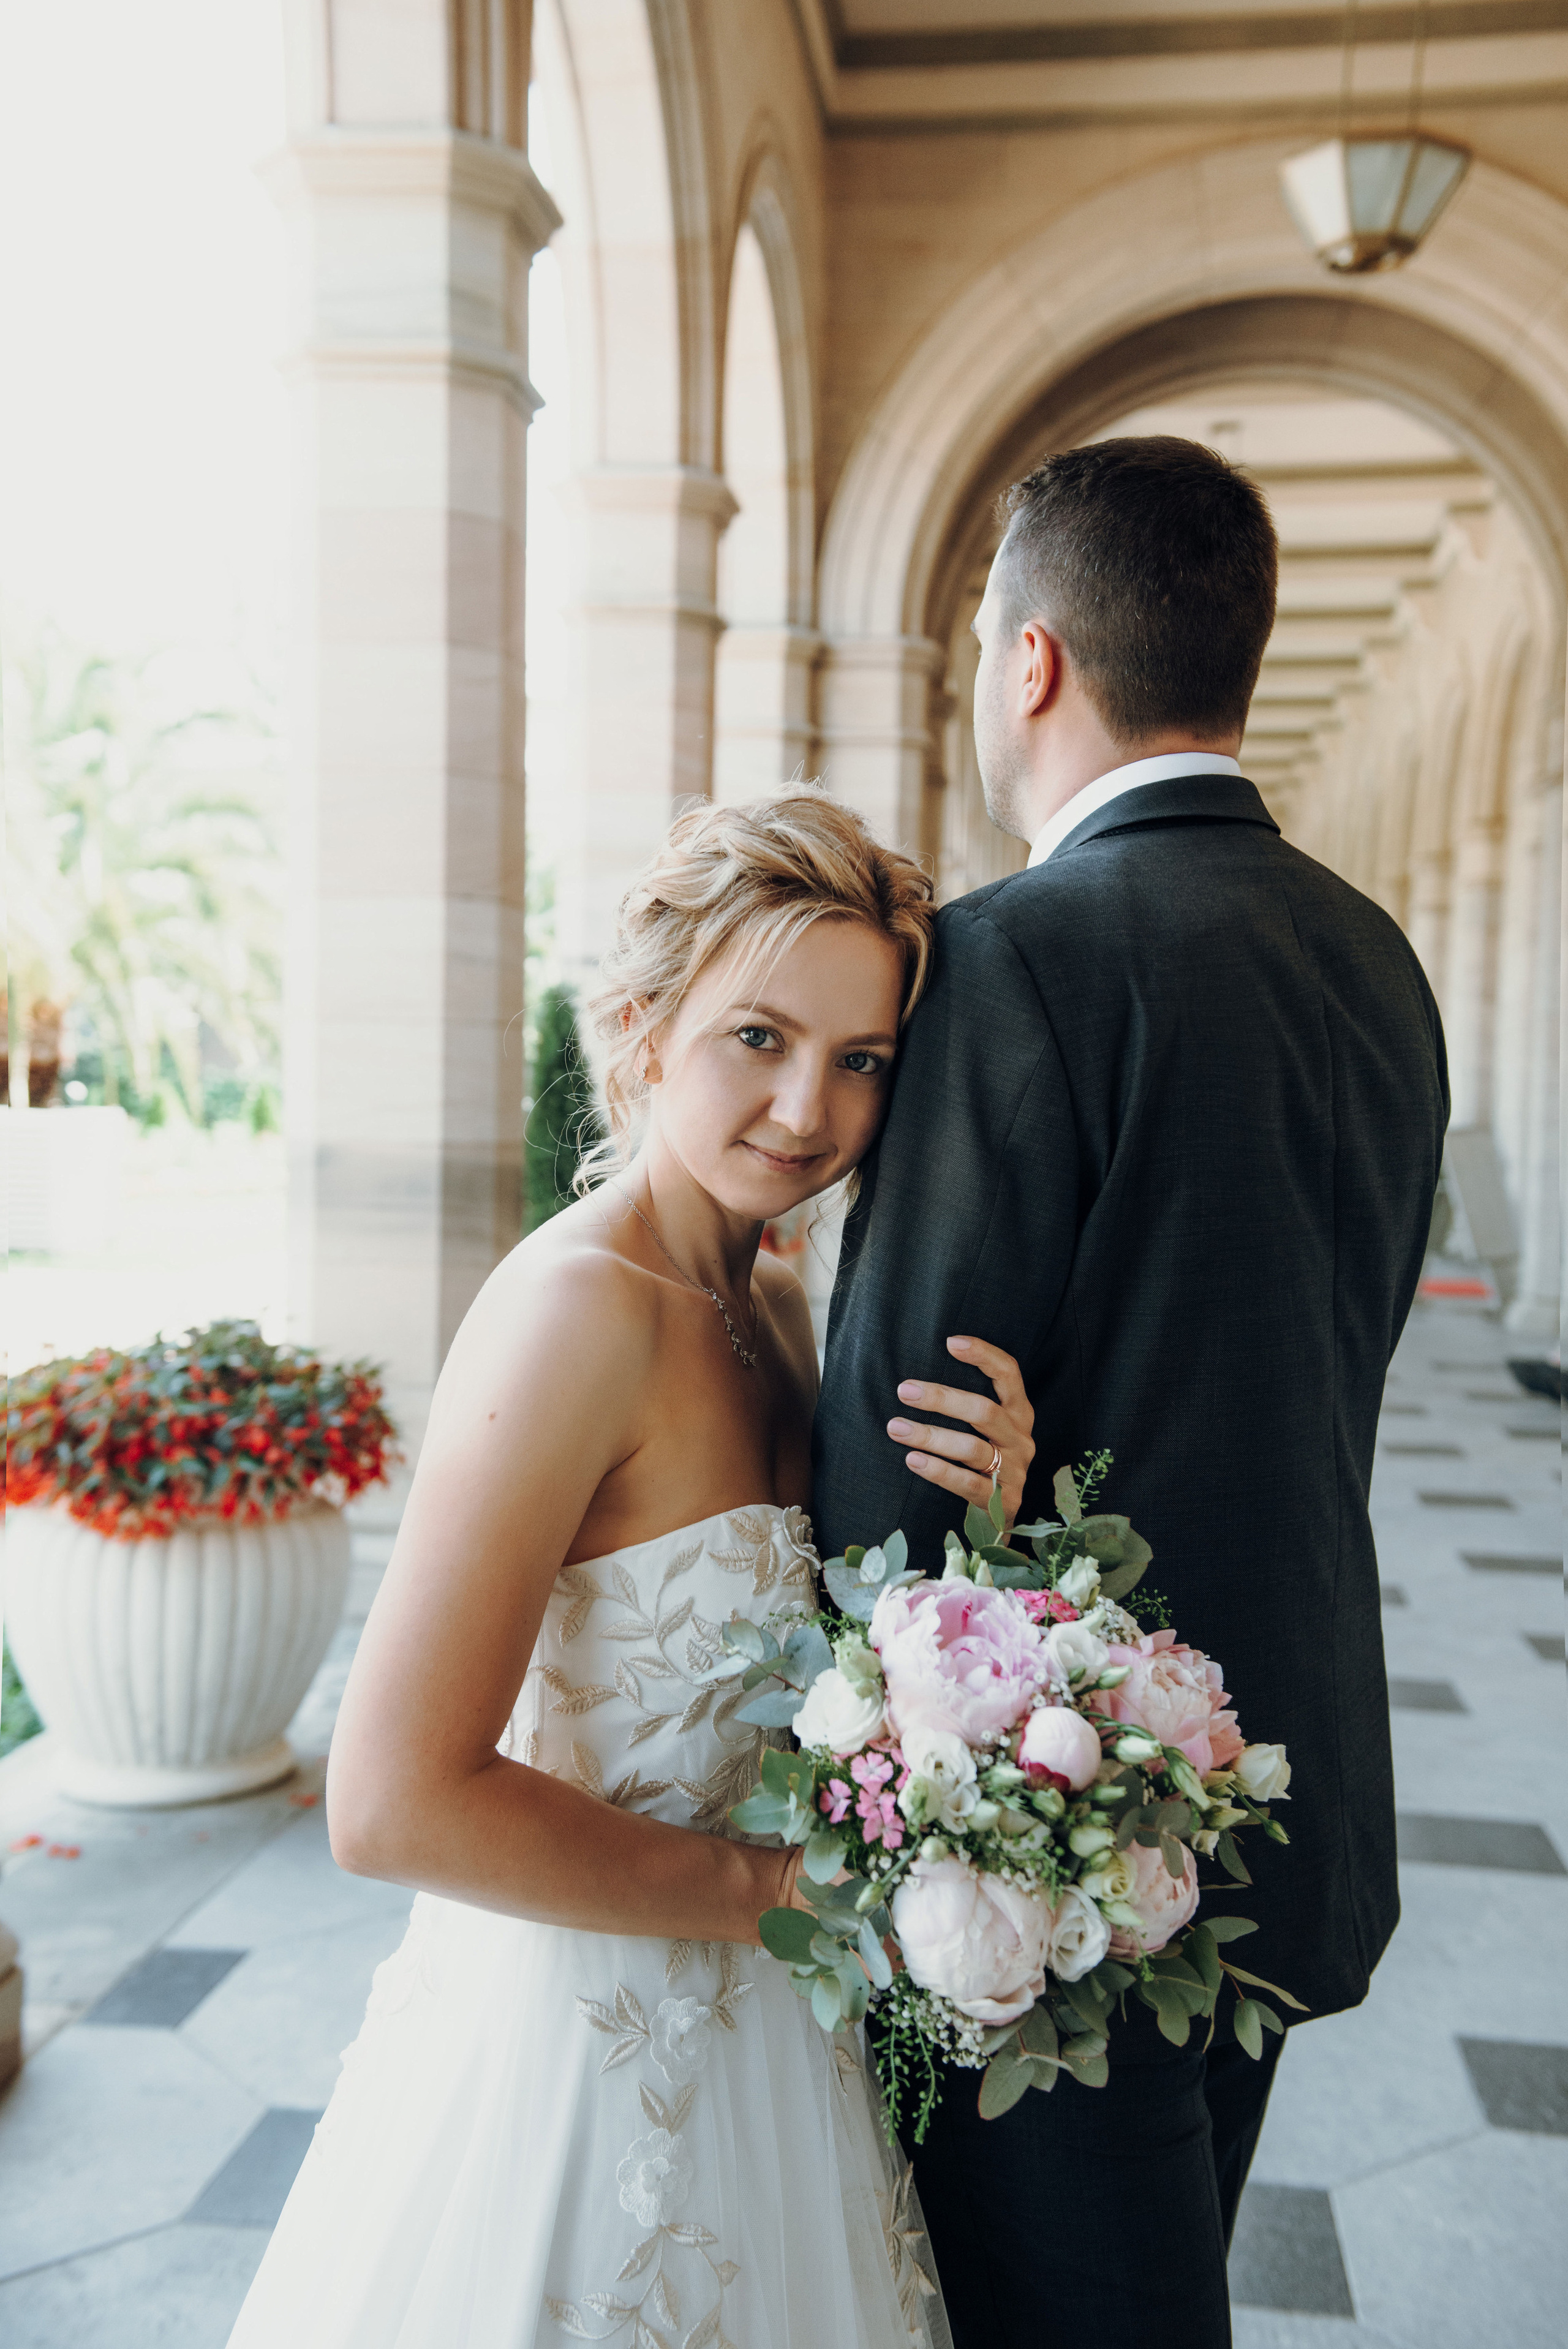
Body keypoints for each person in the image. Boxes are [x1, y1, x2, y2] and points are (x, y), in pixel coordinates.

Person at [226, 791, 1039, 2349]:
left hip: (777, 2054)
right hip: (584, 2061)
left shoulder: (779, 1300)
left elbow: (805, 1679)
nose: (805, 1107)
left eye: (860, 1059)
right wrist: (774, 1896)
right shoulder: (573, 1313)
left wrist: (986, 1521)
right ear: (641, 1028)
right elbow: (389, 1799)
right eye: (757, 1038)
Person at [813, 437, 1449, 2349]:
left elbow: (900, 1449)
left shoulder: (1014, 955)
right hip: (1290, 1792)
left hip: (1056, 1831)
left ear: (1033, 661)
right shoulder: (1377, 958)